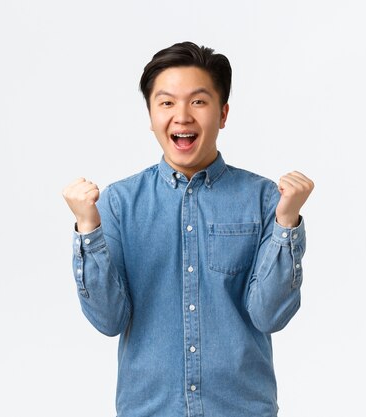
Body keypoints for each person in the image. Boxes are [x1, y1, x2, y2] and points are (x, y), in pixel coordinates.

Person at [62, 41, 314, 417]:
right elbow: (108, 320)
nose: (182, 116)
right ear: (150, 115)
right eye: (166, 102)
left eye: (198, 101)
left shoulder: (265, 200)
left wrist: (287, 223)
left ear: (223, 113)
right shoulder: (118, 203)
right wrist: (87, 228)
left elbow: (270, 316)